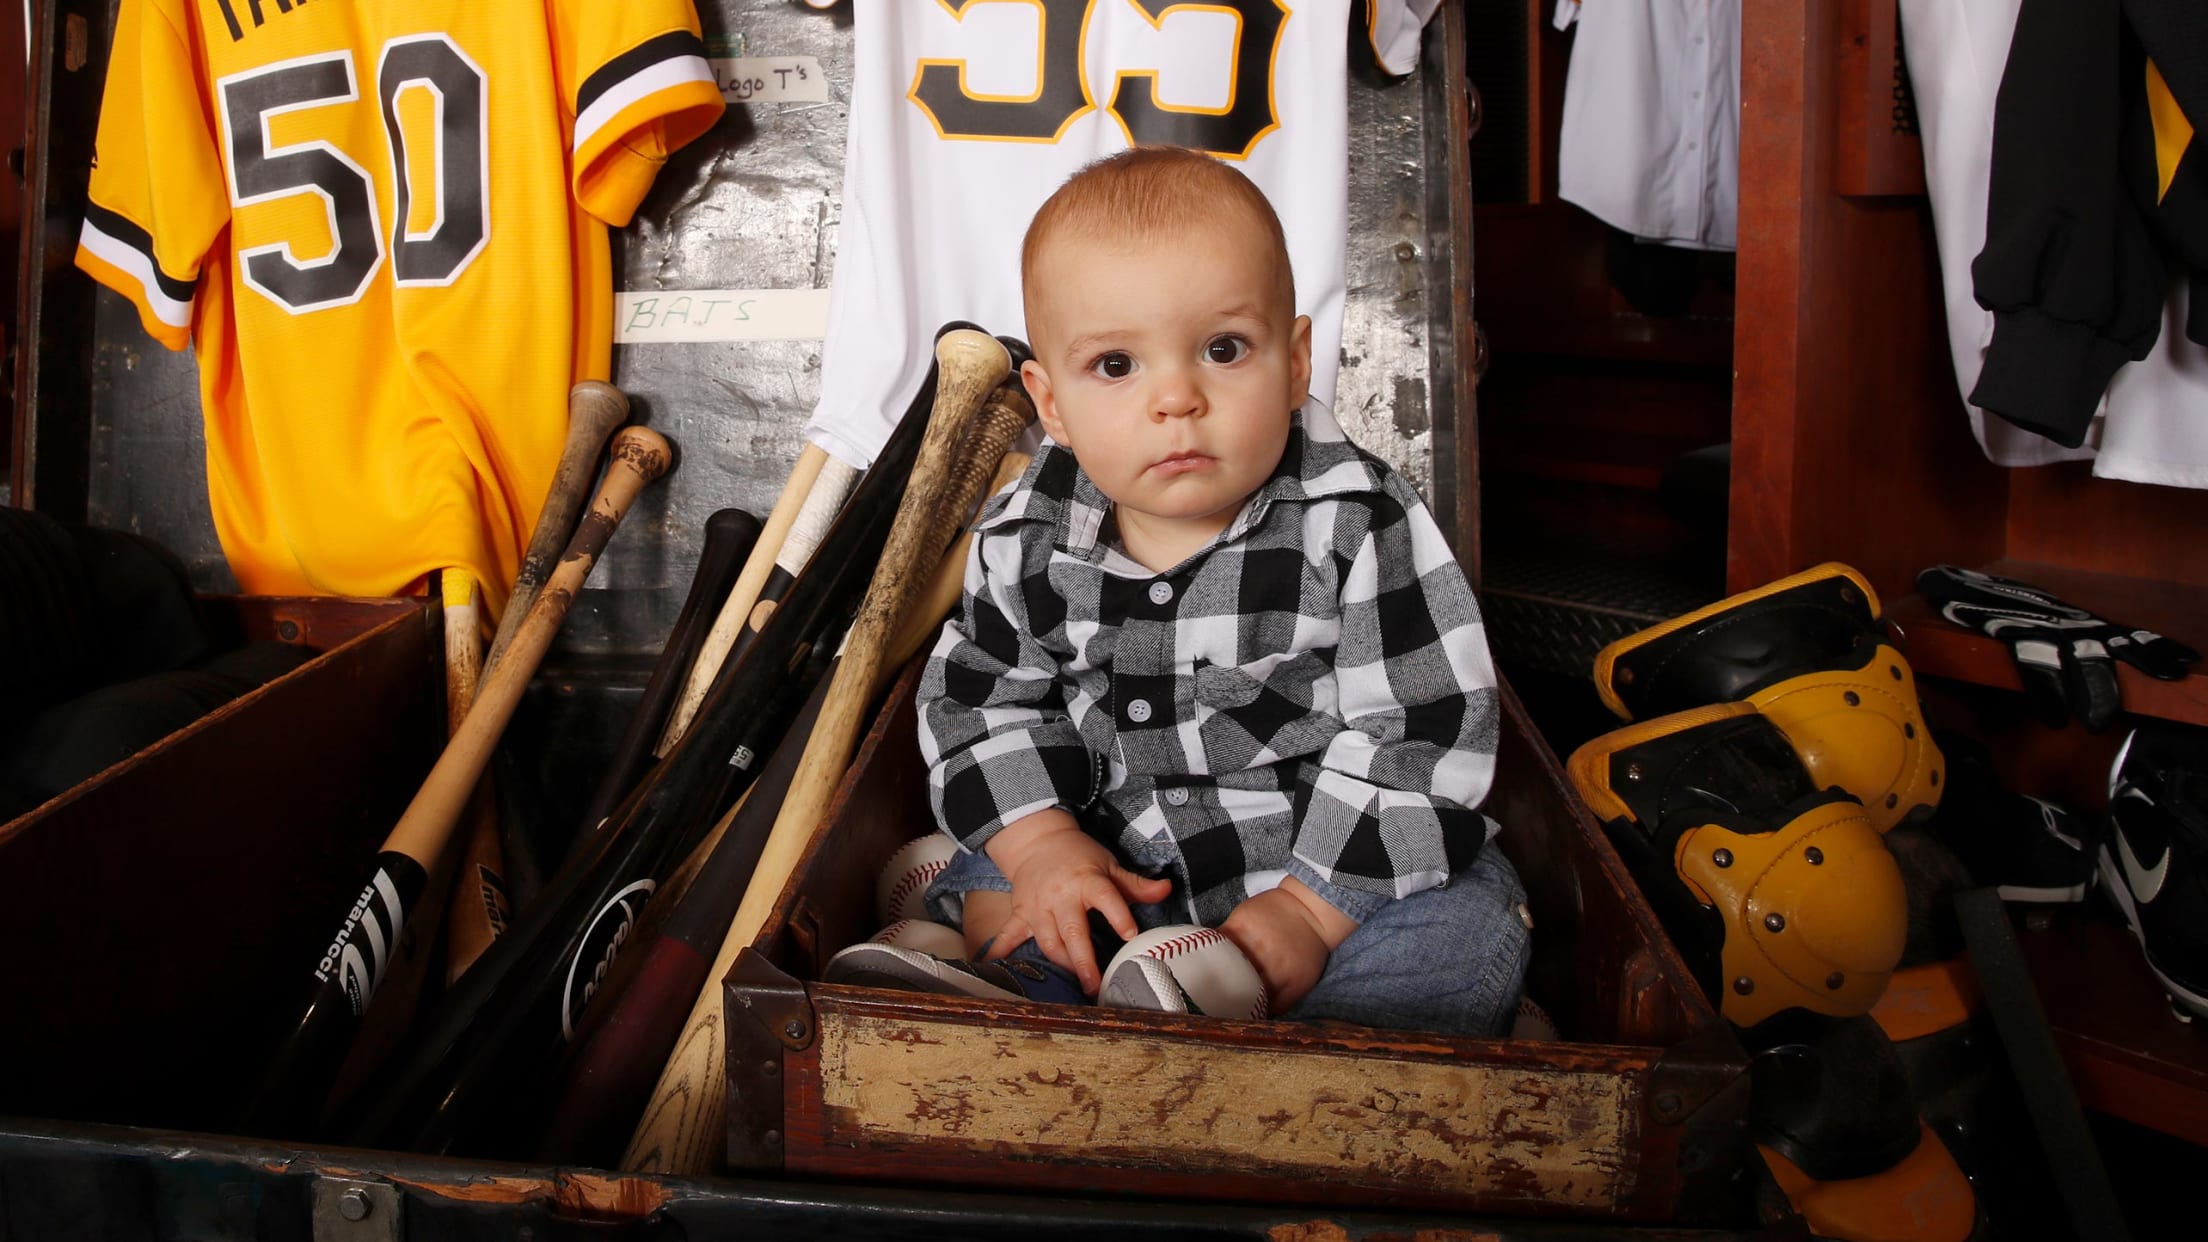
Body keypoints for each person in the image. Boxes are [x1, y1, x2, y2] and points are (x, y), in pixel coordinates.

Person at [829, 146, 1531, 1037]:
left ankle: (1314, 1051)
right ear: (1049, 403)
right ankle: (1014, 988)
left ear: (1297, 360)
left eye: (1223, 349)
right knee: (1011, 873)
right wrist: (1046, 847)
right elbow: (981, 705)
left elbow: (1425, 729)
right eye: (1117, 366)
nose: (1177, 398)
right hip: (1113, 857)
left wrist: (1312, 914)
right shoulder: (1027, 533)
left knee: (1462, 925)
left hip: (1320, 871)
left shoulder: (1354, 521)